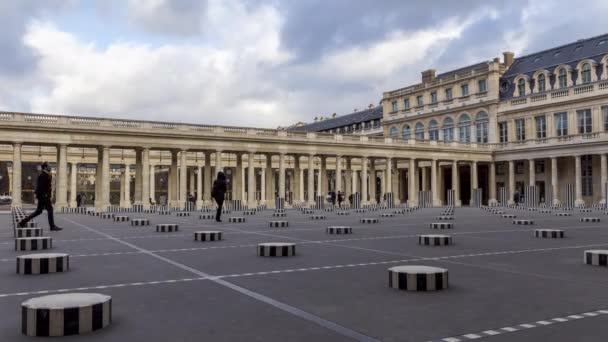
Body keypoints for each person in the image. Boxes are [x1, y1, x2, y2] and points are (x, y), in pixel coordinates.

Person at [18, 162, 62, 231]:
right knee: (50, 210)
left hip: (44, 196)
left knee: (39, 211)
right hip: (44, 196)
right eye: (49, 166)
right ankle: (52, 226)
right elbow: (40, 187)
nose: (50, 167)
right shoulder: (43, 175)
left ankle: (22, 222)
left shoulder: (46, 175)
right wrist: (45, 195)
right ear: (45, 167)